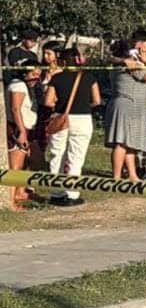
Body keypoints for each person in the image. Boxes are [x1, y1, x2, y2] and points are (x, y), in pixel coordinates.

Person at [44, 48, 101, 206]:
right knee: (76, 157)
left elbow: (48, 102)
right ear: (78, 60)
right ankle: (72, 194)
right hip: (82, 118)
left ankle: (56, 193)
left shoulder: (56, 78)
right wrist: (84, 105)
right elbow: (97, 100)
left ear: (62, 61)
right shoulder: (89, 77)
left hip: (61, 118)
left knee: (57, 154)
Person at [104, 30, 146, 181]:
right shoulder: (131, 61)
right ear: (138, 45)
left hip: (133, 107)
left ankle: (132, 175)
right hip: (127, 105)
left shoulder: (124, 61)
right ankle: (116, 176)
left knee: (130, 143)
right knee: (121, 142)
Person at [5, 60, 42, 209]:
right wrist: (21, 132)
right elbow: (15, 109)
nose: (36, 78)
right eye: (33, 74)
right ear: (25, 73)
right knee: (16, 166)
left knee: (31, 160)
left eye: (39, 75)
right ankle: (12, 200)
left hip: (29, 128)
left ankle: (21, 191)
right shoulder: (18, 85)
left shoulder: (27, 86)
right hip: (18, 128)